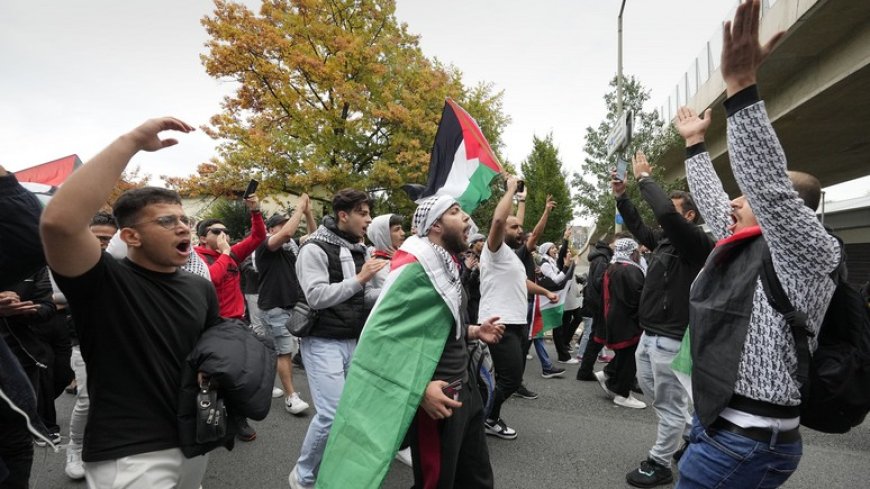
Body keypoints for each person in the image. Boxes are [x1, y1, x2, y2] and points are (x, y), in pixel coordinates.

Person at [674, 2, 840, 487]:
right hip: (722, 428)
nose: (736, 201)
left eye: (745, 197)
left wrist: (741, 89)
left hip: (746, 441)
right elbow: (713, 204)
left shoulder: (809, 253)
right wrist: (693, 144)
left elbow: (765, 184)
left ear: (788, 211)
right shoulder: (753, 247)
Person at [40, 118, 221, 489]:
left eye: (184, 219)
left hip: (194, 439)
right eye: (167, 221)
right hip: (129, 453)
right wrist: (132, 141)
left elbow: (212, 346)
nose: (184, 227)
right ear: (131, 236)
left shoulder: (198, 287)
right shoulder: (104, 281)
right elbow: (59, 223)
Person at [316, 194, 504, 489]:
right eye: (455, 212)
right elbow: (386, 340)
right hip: (436, 396)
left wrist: (473, 331)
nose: (467, 217)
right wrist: (420, 390)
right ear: (436, 226)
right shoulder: (416, 269)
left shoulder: (446, 266)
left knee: (477, 478)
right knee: (436, 482)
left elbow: (434, 327)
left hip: (466, 388)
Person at [613, 153, 715, 487]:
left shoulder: (696, 244)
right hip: (650, 333)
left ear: (688, 215)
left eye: (670, 212)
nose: (661, 219)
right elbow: (640, 227)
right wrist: (622, 197)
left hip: (671, 337)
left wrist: (645, 180)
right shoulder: (664, 242)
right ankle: (693, 439)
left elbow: (665, 216)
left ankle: (658, 464)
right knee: (657, 395)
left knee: (669, 404)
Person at [289, 189, 387, 489]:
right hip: (321, 341)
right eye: (363, 213)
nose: (368, 220)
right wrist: (360, 279)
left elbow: (363, 296)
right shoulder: (314, 248)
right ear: (344, 215)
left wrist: (393, 290)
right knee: (331, 415)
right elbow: (317, 296)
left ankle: (334, 468)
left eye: (370, 213)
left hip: (353, 340)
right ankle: (302, 475)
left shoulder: (360, 249)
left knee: (350, 412)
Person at [478, 176, 560, 441]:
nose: (519, 230)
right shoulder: (494, 250)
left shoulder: (510, 257)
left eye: (519, 227)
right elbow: (501, 221)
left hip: (515, 321)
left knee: (506, 377)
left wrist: (546, 291)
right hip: (500, 323)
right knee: (511, 379)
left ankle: (485, 416)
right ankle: (483, 419)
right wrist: (511, 190)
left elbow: (523, 282)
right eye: (514, 228)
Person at [63, 212, 119, 480]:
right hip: (84, 344)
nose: (102, 243)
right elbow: (58, 296)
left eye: (108, 238)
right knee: (86, 400)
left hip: (122, 343)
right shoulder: (72, 263)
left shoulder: (124, 263)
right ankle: (75, 447)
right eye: (97, 237)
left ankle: (111, 449)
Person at [255, 198, 316, 416]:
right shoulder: (264, 245)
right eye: (281, 224)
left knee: (280, 349)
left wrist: (308, 213)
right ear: (270, 229)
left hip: (291, 305)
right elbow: (288, 234)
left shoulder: (290, 249)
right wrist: (298, 208)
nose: (287, 226)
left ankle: (265, 384)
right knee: (284, 351)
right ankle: (291, 397)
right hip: (274, 307)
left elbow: (314, 236)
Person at [594, 238, 646, 409]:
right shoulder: (630, 269)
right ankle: (622, 395)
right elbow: (637, 298)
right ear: (632, 252)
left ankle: (608, 374)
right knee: (629, 358)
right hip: (627, 320)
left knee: (624, 355)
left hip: (615, 318)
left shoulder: (613, 267)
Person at [194, 197, 266, 320]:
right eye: (216, 231)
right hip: (215, 322)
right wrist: (225, 252)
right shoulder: (196, 257)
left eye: (226, 231)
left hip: (237, 320)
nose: (223, 235)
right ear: (203, 239)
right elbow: (212, 279)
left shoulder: (231, 253)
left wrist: (255, 211)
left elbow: (258, 236)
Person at [576, 235, 615, 380]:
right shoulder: (602, 259)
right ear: (611, 243)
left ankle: (585, 371)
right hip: (599, 304)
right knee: (597, 337)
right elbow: (600, 282)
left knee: (597, 337)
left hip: (596, 303)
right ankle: (588, 371)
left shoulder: (601, 257)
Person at [366, 213, 406, 290]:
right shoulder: (379, 266)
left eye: (401, 228)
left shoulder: (402, 254)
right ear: (383, 235)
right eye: (397, 229)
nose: (403, 233)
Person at [461, 233, 486, 324]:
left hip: (480, 296)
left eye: (483, 241)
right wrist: (477, 271)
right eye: (480, 241)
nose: (483, 243)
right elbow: (469, 282)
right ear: (473, 243)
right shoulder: (469, 257)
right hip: (472, 299)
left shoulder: (482, 257)